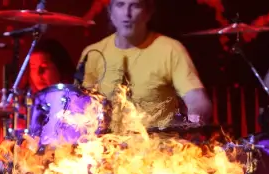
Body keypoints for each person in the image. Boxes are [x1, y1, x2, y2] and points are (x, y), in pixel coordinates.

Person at [77, 0, 212, 127]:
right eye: (120, 5)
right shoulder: (93, 53)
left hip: (158, 145)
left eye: (135, 6)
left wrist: (195, 118)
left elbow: (197, 99)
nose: (127, 14)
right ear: (110, 13)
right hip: (107, 146)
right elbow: (78, 105)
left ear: (148, 14)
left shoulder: (170, 49)